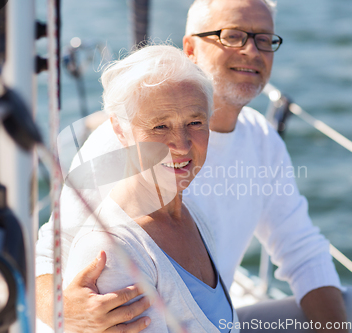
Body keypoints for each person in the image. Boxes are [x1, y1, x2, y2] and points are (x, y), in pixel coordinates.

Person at [36, 0, 352, 332]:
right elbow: (50, 254)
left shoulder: (261, 139)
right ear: (190, 49)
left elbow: (302, 249)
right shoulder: (128, 144)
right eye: (232, 36)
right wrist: (65, 314)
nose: (252, 51)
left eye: (264, 39)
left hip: (215, 319)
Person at [58, 44, 239, 332]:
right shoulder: (113, 252)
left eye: (195, 122)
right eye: (160, 127)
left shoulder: (192, 216)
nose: (181, 144)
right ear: (120, 130)